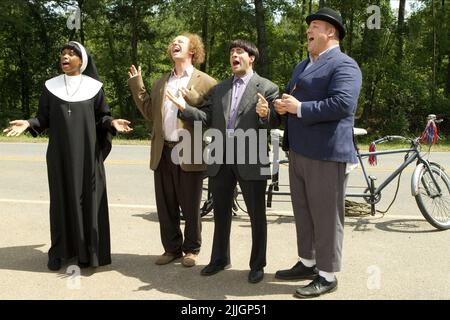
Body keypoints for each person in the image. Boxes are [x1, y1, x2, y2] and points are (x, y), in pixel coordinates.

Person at [3, 41, 133, 271]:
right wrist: (28, 123)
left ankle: (86, 253)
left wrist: (112, 122)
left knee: (87, 203)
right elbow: (43, 119)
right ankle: (59, 252)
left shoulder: (94, 87)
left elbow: (102, 117)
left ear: (81, 61)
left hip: (87, 156)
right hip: (59, 156)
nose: (65, 56)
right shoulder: (50, 87)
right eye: (63, 53)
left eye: (71, 54)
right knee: (61, 202)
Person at [167, 39, 279, 283]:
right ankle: (219, 259)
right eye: (231, 52)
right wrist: (184, 108)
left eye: (240, 52)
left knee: (256, 216)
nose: (234, 55)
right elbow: (206, 118)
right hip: (220, 157)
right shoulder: (220, 89)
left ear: (251, 58)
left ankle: (257, 264)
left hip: (251, 156)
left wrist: (266, 114)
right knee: (220, 213)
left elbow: (276, 120)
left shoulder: (267, 87)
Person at [273, 7, 362, 298]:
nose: (308, 30)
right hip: (299, 151)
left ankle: (327, 274)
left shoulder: (345, 65)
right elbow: (291, 96)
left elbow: (342, 105)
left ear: (331, 32)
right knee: (304, 211)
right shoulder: (303, 65)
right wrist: (279, 105)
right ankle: (308, 262)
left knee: (326, 216)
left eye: (314, 26)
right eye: (308, 26)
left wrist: (299, 108)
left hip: (326, 154)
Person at [128, 33, 217, 267]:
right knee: (165, 205)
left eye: (181, 42)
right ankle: (172, 248)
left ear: (192, 51)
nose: (174, 44)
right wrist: (137, 84)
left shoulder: (206, 82)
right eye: (172, 43)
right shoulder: (161, 82)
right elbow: (149, 112)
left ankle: (191, 249)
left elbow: (212, 119)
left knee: (190, 205)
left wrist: (191, 103)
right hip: (163, 150)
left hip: (189, 149)